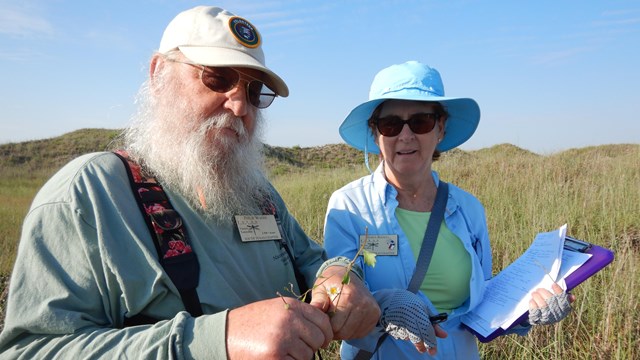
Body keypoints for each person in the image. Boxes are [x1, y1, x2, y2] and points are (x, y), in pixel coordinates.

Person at [0, 6, 380, 359]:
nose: (239, 106)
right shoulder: (90, 195)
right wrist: (217, 340)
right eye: (218, 77)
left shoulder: (259, 195)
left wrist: (338, 279)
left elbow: (312, 260)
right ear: (158, 75)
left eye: (253, 91)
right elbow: (31, 350)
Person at [323, 61, 575, 359]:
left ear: (440, 128)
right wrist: (384, 305)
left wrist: (525, 311)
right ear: (375, 133)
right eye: (390, 124)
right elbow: (338, 302)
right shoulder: (348, 206)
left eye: (420, 122)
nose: (405, 136)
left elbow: (482, 304)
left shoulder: (468, 208)